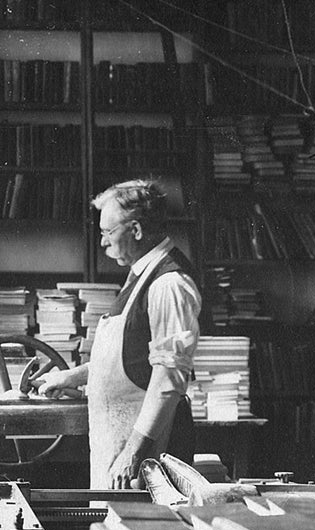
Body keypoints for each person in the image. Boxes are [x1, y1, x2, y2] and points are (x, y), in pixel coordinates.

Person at [31, 179, 202, 488]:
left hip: (149, 454)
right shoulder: (140, 274)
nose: (103, 243)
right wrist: (71, 377)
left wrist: (134, 454)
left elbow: (168, 379)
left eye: (108, 233)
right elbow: (132, 359)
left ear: (136, 230)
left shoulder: (168, 283)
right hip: (122, 443)